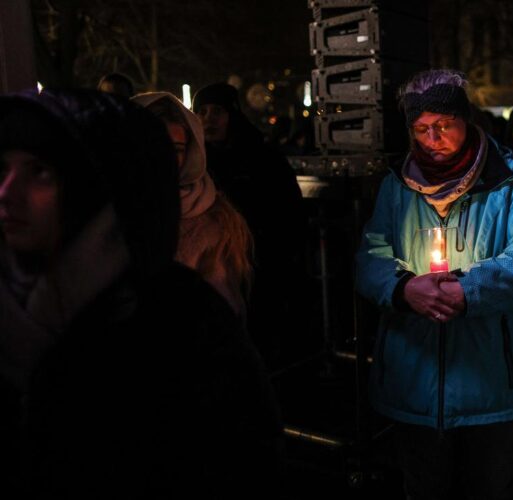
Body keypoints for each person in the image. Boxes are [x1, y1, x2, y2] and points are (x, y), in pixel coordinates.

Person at [0, 89, 282, 496]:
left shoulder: (183, 317)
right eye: (1, 169)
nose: (8, 193)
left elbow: (243, 455)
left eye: (40, 171)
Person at [355, 69, 513, 499]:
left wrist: (470, 290)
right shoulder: (397, 186)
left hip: (494, 380)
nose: (433, 138)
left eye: (444, 125)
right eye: (422, 129)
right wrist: (404, 288)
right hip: (415, 377)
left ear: (467, 121)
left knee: (489, 484)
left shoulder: (512, 181)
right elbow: (371, 253)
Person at [192, 82, 303, 364]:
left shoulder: (262, 159)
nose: (208, 119)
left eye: (217, 111)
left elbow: (287, 214)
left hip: (259, 270)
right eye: (201, 112)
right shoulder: (194, 164)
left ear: (233, 114)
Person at [133, 92, 254, 318]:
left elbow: (223, 314)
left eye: (177, 149)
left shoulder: (210, 221)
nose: (165, 158)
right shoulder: (103, 212)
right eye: (155, 144)